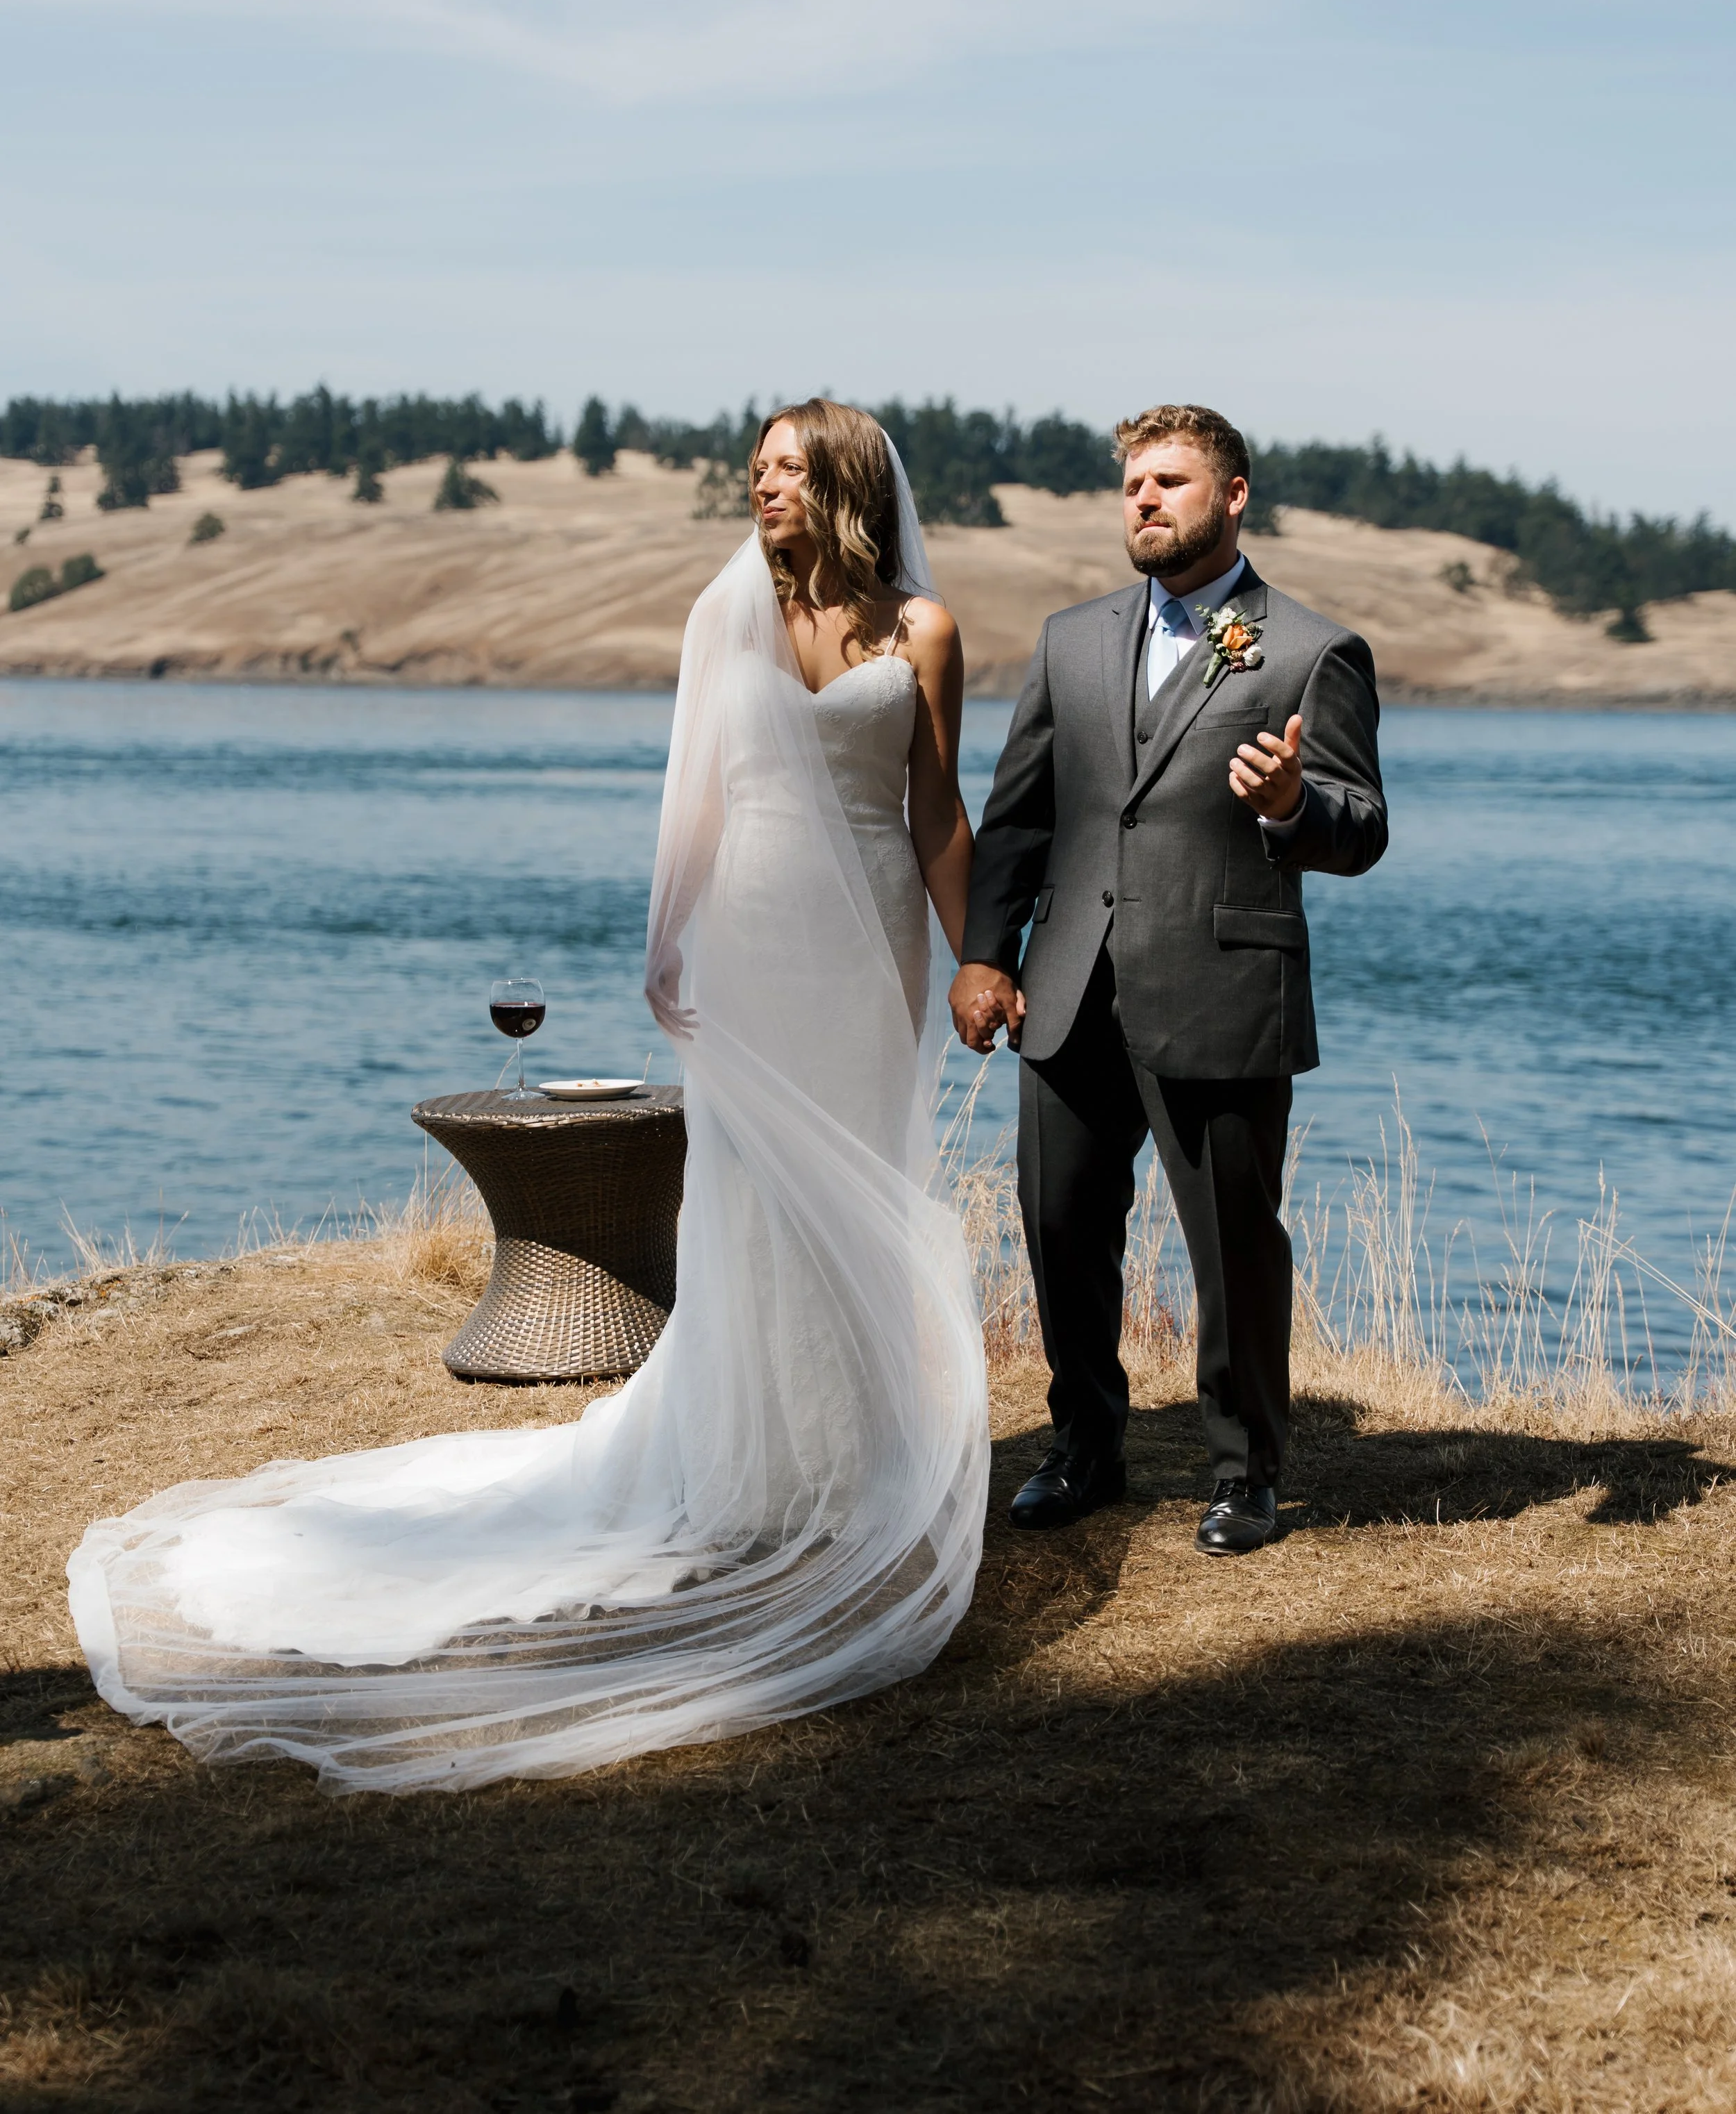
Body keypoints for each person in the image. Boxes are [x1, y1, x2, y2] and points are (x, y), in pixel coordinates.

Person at [68, 401, 987, 1792]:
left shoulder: (922, 631)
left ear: (847, 485)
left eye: (787, 470)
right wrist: (663, 938)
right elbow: (697, 800)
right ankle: (750, 1473)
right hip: (746, 942)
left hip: (865, 947)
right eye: (754, 470)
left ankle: (851, 1471)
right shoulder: (720, 615)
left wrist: (978, 953)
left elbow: (934, 810)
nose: (762, 488)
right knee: (740, 1196)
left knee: (847, 1194)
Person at [949, 403, 1386, 1556]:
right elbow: (1018, 818)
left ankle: (1247, 1473)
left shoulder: (1309, 648)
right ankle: (1085, 1446)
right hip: (1068, 984)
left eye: (1171, 481)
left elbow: (1363, 826)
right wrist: (987, 956)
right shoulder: (1069, 640)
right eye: (1133, 481)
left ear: (1233, 496)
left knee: (1233, 1247)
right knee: (1058, 1224)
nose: (1144, 498)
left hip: (1221, 987)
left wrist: (1294, 806)